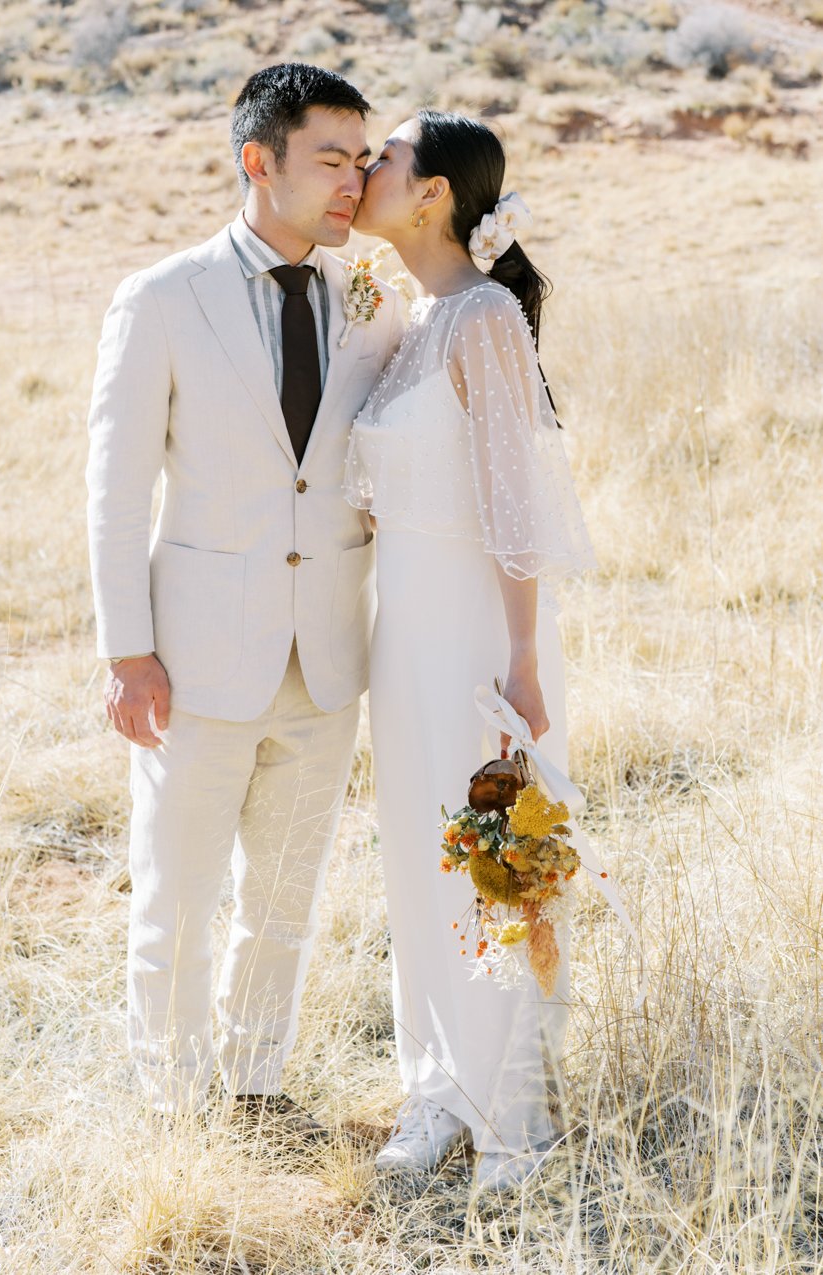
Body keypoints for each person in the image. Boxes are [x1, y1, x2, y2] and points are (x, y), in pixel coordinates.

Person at [86, 63, 404, 1127]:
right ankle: (174, 1106)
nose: (353, 182)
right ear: (256, 161)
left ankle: (256, 1083)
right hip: (193, 662)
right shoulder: (162, 298)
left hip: (328, 659)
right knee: (174, 900)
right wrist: (127, 651)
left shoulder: (368, 301)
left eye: (362, 161)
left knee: (283, 898)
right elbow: (117, 489)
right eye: (330, 159)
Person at [343, 111, 597, 1192]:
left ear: (435, 192)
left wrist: (524, 660)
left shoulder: (482, 316)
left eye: (384, 160)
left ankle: (509, 1117)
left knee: (490, 858)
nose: (363, 174)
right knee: (417, 856)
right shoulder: (410, 319)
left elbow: (512, 501)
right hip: (400, 631)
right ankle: (438, 1084)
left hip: (471, 636)